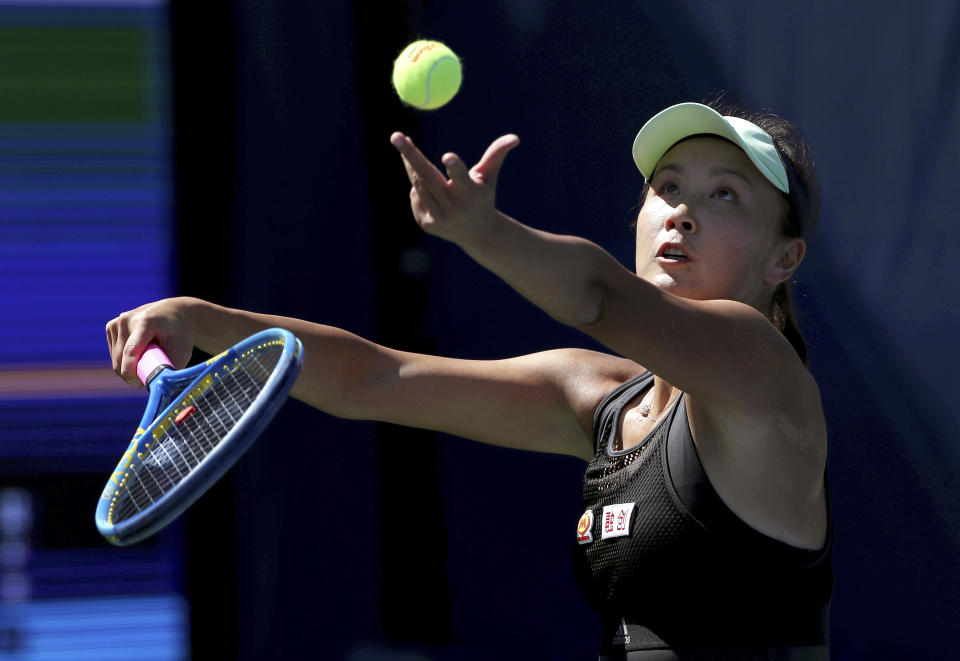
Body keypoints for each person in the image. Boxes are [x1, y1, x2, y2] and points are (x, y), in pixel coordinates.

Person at [106, 100, 832, 660]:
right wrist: (205, 319)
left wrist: (482, 231)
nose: (681, 213)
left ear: (785, 258)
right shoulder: (603, 400)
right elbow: (376, 378)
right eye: (666, 187)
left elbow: (601, 295)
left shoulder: (766, 374)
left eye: (725, 196)